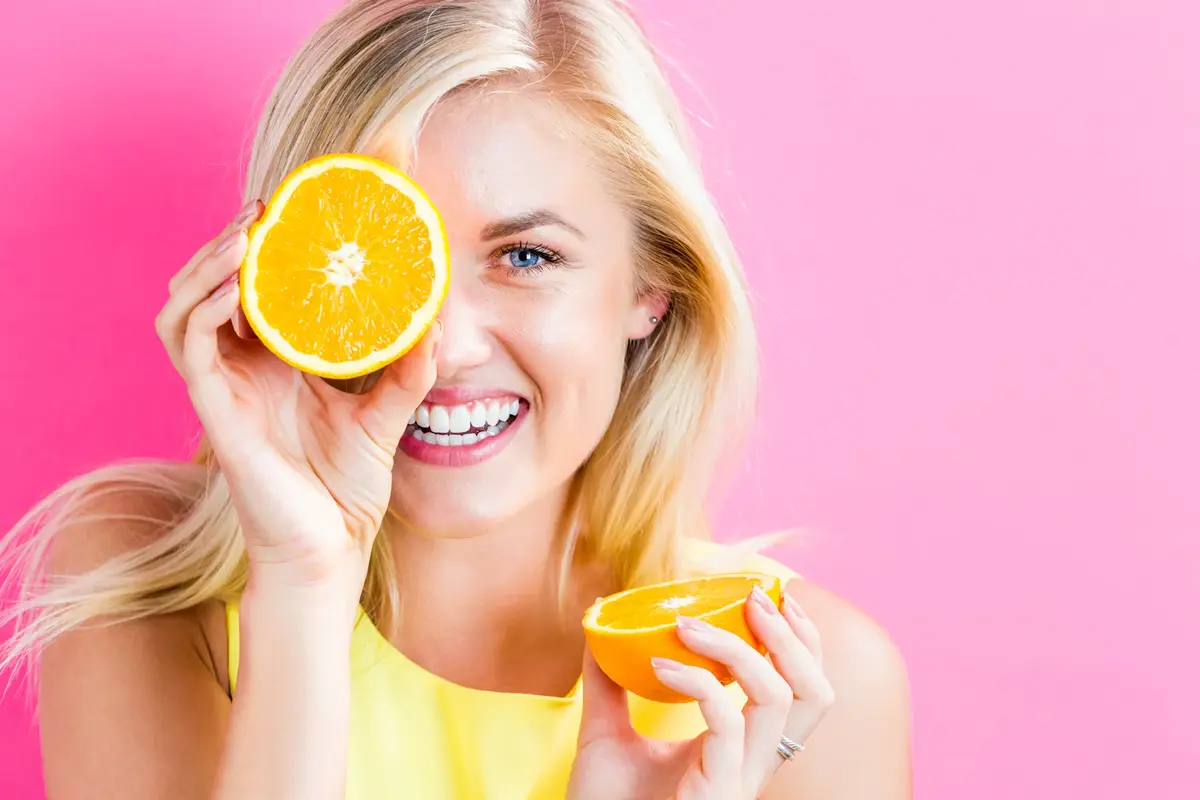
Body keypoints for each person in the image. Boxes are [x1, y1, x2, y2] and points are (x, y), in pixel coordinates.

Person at [1, 1, 912, 797]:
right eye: (387, 268)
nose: (440, 353)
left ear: (650, 290)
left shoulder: (792, 689)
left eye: (525, 258)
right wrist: (304, 583)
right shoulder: (137, 580)